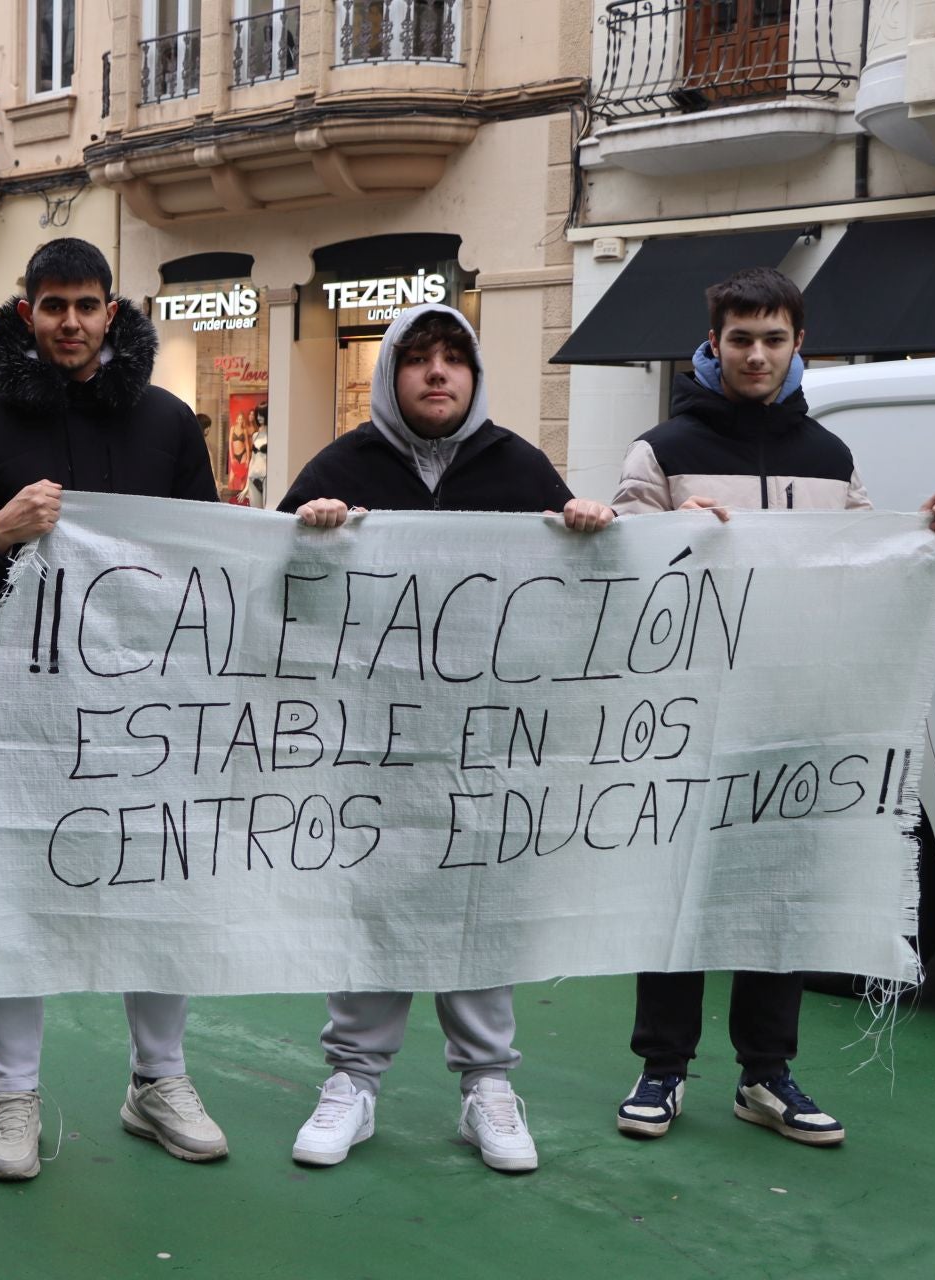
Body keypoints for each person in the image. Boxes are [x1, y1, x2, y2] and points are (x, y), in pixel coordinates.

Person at [608, 266, 935, 1149]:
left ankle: (765, 1075)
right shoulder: (659, 450)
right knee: (680, 889)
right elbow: (613, 562)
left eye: (773, 338)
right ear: (713, 344)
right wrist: (666, 531)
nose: (757, 354)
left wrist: (928, 533)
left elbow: (867, 562)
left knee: (779, 893)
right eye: (741, 338)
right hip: (691, 711)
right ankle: (662, 1066)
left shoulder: (831, 458)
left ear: (799, 343)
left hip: (796, 711)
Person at [277, 304, 617, 1176]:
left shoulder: (520, 466)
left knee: (478, 909)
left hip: (487, 748)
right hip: (370, 745)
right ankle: (352, 1083)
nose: (437, 372)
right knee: (375, 909)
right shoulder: (342, 465)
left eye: (453, 359)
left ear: (474, 376)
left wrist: (587, 532)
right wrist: (302, 531)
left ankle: (487, 1089)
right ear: (391, 373)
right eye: (418, 358)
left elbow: (583, 602)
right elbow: (268, 588)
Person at [0, 236, 221, 1181]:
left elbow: (210, 561)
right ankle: (13, 1098)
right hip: (26, 717)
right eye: (53, 306)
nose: (71, 322)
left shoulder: (170, 423)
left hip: (150, 707)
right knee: (18, 900)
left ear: (112, 310)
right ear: (26, 312)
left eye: (87, 305)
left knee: (161, 890)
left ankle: (158, 1081)